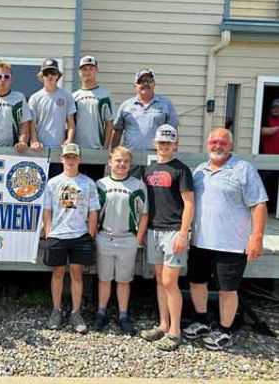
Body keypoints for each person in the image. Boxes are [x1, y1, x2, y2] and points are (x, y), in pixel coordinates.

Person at [184, 128, 268, 351]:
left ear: (230, 145)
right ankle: (202, 320)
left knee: (227, 289)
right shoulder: (200, 170)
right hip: (200, 241)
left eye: (222, 142)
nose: (217, 146)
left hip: (231, 243)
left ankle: (224, 328)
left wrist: (257, 237)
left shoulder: (244, 169)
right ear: (207, 144)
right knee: (197, 282)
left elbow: (259, 204)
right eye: (213, 142)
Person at [140, 125, 194, 351]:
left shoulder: (181, 170)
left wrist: (183, 232)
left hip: (174, 230)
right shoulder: (149, 170)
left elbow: (190, 203)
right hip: (154, 229)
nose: (164, 146)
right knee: (160, 280)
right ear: (155, 144)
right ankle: (163, 325)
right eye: (161, 142)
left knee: (171, 282)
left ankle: (175, 331)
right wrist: (143, 231)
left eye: (168, 142)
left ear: (175, 145)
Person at [43, 143, 98, 334]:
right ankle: (56, 310)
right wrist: (48, 231)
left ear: (79, 159)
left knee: (76, 274)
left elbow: (93, 211)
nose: (70, 160)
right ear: (62, 159)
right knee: (57, 273)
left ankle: (76, 312)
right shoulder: (53, 183)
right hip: (58, 234)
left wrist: (90, 235)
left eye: (74, 156)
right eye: (67, 157)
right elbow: (47, 210)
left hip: (80, 235)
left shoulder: (88, 183)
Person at [95, 146, 148, 335]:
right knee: (104, 278)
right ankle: (101, 312)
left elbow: (144, 214)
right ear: (110, 162)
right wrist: (93, 235)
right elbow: (93, 213)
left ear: (130, 164)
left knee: (124, 280)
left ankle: (123, 315)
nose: (121, 164)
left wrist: (138, 238)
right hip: (104, 237)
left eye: (125, 161)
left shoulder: (138, 185)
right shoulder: (100, 184)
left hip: (127, 238)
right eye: (118, 160)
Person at [111, 69, 179, 177]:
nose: (145, 84)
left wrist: (172, 155)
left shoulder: (165, 104)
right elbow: (117, 130)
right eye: (141, 81)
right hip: (130, 158)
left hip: (157, 157)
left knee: (155, 190)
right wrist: (113, 153)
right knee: (132, 190)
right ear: (135, 86)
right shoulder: (126, 106)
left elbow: (173, 130)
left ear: (154, 84)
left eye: (149, 81)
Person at [29, 58, 76, 178]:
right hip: (39, 152)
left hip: (59, 152)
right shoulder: (35, 98)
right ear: (41, 77)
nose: (49, 76)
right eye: (46, 73)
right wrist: (34, 141)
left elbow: (71, 123)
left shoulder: (66, 96)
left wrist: (69, 140)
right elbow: (31, 123)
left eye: (53, 73)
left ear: (58, 76)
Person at [72, 55, 113, 181]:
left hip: (97, 149)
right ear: (79, 72)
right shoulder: (74, 96)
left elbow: (109, 122)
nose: (87, 72)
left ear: (96, 71)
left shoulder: (105, 95)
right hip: (77, 151)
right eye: (84, 69)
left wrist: (105, 148)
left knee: (94, 188)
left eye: (91, 68)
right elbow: (69, 123)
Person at [259, 98, 279, 214]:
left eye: (278, 108)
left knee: (276, 188)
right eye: (274, 108)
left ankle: (273, 210)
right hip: (267, 159)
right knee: (266, 187)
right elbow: (262, 131)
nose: (276, 110)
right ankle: (264, 211)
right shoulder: (265, 119)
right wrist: (277, 128)